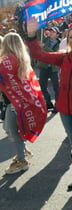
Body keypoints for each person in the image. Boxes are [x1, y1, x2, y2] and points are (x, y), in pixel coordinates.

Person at [26, 19, 72, 194]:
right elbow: (39, 55)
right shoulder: (63, 57)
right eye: (71, 37)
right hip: (65, 109)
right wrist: (31, 35)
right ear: (67, 39)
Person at [0, 33, 41, 174]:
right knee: (8, 128)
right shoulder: (21, 58)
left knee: (12, 130)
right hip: (19, 102)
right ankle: (23, 151)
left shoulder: (7, 61)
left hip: (14, 103)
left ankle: (22, 160)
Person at [37, 25, 60, 113]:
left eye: (53, 32)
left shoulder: (59, 43)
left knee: (56, 88)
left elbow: (55, 54)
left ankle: (57, 105)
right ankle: (48, 102)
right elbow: (39, 34)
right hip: (45, 67)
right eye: (50, 31)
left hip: (54, 68)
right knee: (42, 87)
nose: (51, 33)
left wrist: (44, 48)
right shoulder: (45, 40)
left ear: (57, 34)